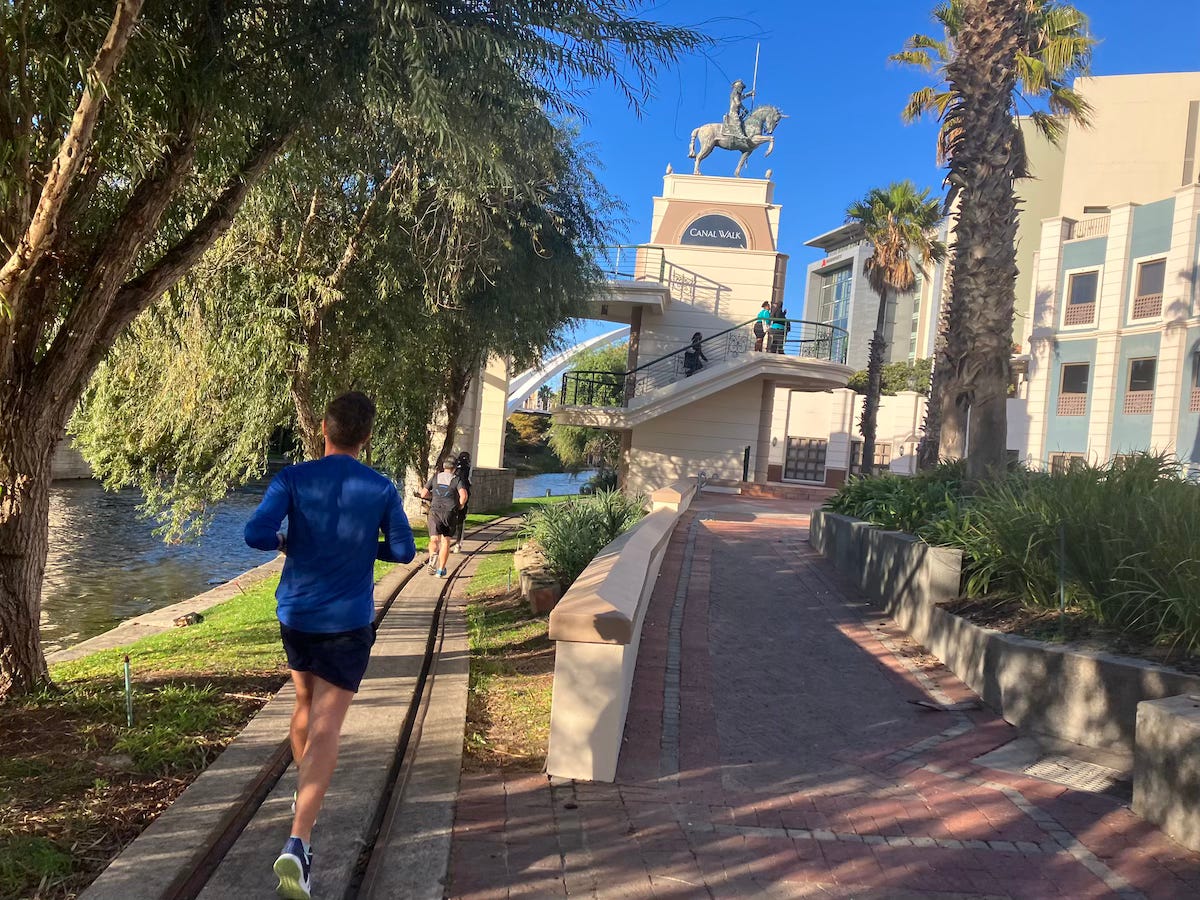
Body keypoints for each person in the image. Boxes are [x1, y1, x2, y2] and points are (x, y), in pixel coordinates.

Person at [244, 391, 416, 900]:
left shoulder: (292, 478)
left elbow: (256, 534)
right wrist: (369, 546)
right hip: (347, 622)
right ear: (366, 437)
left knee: (303, 704)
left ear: (324, 427)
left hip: (296, 616)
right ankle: (299, 842)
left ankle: (304, 800)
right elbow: (406, 551)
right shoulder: (381, 487)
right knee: (328, 726)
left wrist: (286, 542)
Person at [420, 456, 468, 577]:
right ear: (455, 468)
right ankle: (441, 570)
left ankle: (432, 556)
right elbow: (463, 495)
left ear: (444, 466)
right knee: (446, 541)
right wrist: (460, 506)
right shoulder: (456, 479)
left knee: (434, 539)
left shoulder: (436, 477)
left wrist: (434, 496)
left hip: (434, 511)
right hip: (449, 512)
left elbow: (423, 494)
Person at [451, 450, 472, 553]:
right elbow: (468, 481)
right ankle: (458, 543)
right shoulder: (467, 468)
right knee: (461, 520)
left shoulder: (455, 469)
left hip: (452, 494)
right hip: (463, 494)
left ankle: (445, 541)